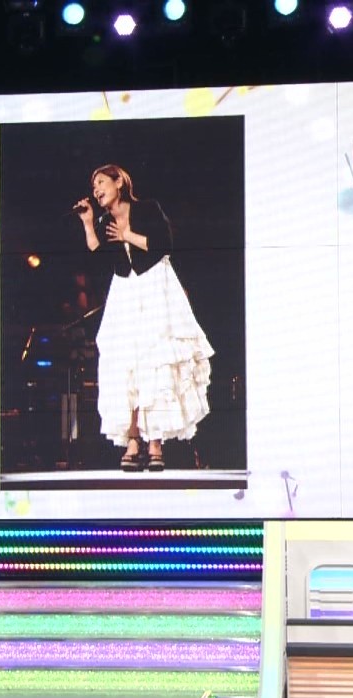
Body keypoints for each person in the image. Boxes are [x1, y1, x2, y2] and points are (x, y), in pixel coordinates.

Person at [74, 164, 213, 472]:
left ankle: (155, 444)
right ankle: (133, 440)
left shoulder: (147, 208)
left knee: (155, 362)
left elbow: (165, 244)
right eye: (94, 186)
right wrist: (87, 224)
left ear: (118, 182)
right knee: (127, 363)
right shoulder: (104, 220)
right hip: (125, 291)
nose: (96, 190)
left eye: (101, 182)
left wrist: (127, 235)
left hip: (154, 285)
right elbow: (100, 256)